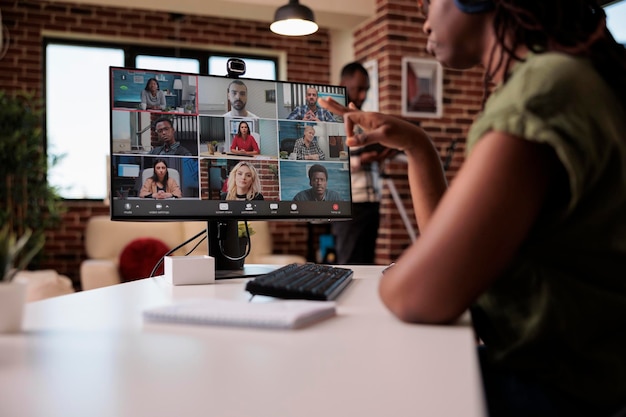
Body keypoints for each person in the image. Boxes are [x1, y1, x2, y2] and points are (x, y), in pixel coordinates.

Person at [319, 0, 626, 416]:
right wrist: (417, 144)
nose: (424, 21)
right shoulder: (556, 77)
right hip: (572, 377)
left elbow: (418, 295)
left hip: (557, 389)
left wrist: (406, 276)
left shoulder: (545, 88)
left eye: (429, 3)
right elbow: (452, 259)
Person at [331, 61, 397, 265]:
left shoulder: (364, 120)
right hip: (350, 206)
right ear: (343, 83)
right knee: (351, 265)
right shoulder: (331, 121)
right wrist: (361, 160)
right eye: (358, 89)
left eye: (366, 90)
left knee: (367, 265)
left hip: (372, 202)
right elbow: (332, 165)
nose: (362, 96)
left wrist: (383, 154)